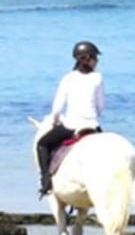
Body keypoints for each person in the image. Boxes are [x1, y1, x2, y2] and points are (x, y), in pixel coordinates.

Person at [37, 41, 105, 197]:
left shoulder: (67, 79)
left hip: (71, 126)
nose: (97, 61)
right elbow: (101, 107)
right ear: (86, 59)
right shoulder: (98, 78)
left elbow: (57, 108)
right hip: (93, 126)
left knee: (42, 144)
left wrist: (55, 121)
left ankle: (46, 180)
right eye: (95, 58)